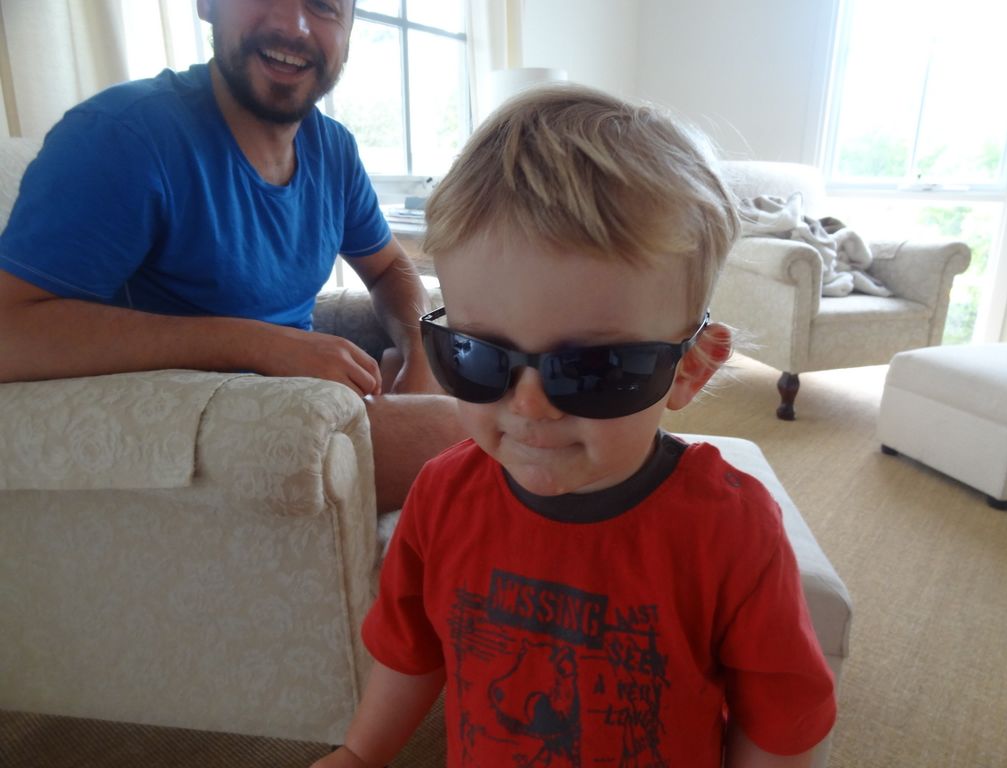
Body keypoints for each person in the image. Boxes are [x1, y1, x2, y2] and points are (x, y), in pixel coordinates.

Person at [314, 85, 837, 768]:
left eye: (595, 369)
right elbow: (413, 652)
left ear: (690, 368)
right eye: (477, 355)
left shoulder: (732, 530)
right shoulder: (441, 497)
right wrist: (360, 753)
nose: (530, 406)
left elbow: (778, 726)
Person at [0, 0, 464, 512]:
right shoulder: (121, 136)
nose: (293, 25)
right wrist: (257, 344)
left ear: (349, 32)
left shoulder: (333, 149)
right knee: (476, 437)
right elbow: (9, 332)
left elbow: (390, 268)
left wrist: (420, 350)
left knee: (490, 377)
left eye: (324, 5)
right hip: (199, 438)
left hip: (305, 411)